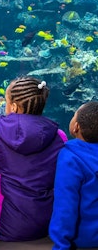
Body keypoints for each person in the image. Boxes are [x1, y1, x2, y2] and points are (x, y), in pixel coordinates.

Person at [0, 76, 68, 242]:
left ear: (15, 106)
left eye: (7, 101)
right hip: (46, 224)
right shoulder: (59, 136)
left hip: (3, 226)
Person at [49, 101, 98, 250]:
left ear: (76, 126)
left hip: (84, 240)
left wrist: (61, 245)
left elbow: (65, 206)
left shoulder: (71, 157)